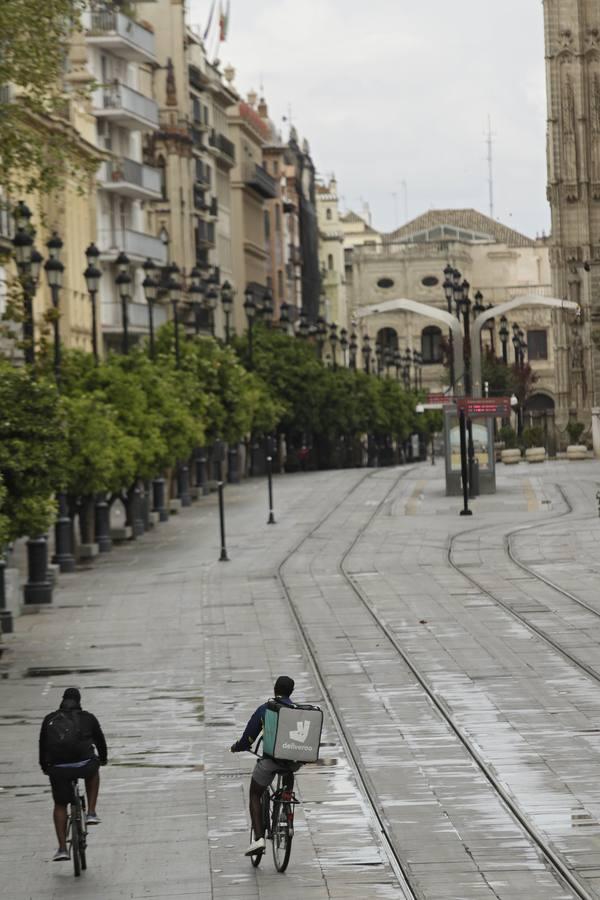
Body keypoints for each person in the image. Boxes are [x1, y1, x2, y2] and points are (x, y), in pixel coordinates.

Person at [230, 675, 300, 856]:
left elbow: (248, 738)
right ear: (291, 692)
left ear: (275, 689)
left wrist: (238, 747)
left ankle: (259, 839)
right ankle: (284, 808)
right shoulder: (298, 710)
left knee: (255, 793)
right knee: (287, 777)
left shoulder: (265, 709)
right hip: (292, 762)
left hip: (270, 761)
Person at [39, 687, 108, 862]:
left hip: (59, 769)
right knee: (94, 770)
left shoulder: (49, 719)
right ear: (79, 702)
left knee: (60, 804)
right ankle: (91, 812)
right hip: (84, 765)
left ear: (62, 701)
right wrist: (103, 759)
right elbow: (100, 741)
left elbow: (42, 745)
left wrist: (45, 767)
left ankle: (62, 848)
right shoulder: (88, 718)